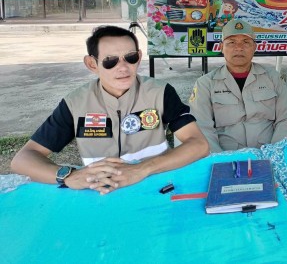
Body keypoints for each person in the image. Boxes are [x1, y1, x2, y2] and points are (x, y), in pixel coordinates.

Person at [11, 25, 209, 194]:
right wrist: (68, 176)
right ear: (92, 64)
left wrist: (142, 169)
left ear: (139, 57)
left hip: (157, 186)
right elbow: (23, 159)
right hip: (101, 193)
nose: (123, 67)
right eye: (110, 61)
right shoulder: (75, 103)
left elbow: (199, 144)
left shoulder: (159, 92)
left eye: (130, 57)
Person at [189, 19, 287, 152]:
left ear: (254, 47)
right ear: (221, 47)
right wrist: (220, 159)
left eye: (246, 42)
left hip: (268, 152)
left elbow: (286, 118)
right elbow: (202, 127)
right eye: (231, 42)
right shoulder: (205, 84)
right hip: (226, 155)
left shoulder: (272, 77)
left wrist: (274, 152)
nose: (239, 47)